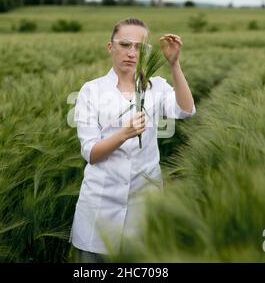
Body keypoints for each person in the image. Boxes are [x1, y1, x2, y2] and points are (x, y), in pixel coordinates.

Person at [69, 18, 196, 262]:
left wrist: (175, 65)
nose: (131, 52)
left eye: (139, 47)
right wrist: (123, 134)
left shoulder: (156, 87)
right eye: (125, 44)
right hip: (99, 211)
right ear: (110, 47)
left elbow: (186, 110)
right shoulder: (91, 91)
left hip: (144, 203)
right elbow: (91, 153)